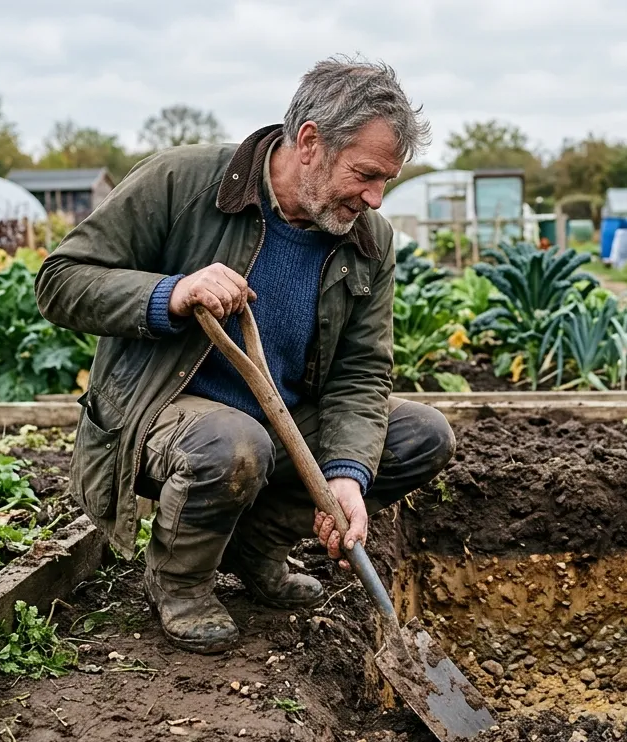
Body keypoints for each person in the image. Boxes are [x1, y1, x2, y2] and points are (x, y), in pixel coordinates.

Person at [35, 55, 453, 653]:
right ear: (310, 142)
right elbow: (60, 280)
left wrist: (349, 476)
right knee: (234, 444)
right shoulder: (185, 182)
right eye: (366, 174)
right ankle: (177, 581)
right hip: (162, 412)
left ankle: (255, 551)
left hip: (280, 420)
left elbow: (363, 372)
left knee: (421, 435)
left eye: (387, 179)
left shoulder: (367, 240)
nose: (377, 198)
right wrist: (170, 293)